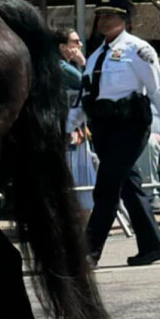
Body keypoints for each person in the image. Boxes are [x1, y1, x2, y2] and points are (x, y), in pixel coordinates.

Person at [72, 0, 160, 266]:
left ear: (124, 19)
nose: (102, 20)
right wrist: (68, 126)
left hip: (131, 125)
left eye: (109, 15)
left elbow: (157, 91)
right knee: (129, 186)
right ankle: (152, 244)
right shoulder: (94, 57)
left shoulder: (138, 50)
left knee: (106, 187)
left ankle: (89, 252)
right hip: (105, 129)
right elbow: (86, 98)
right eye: (100, 15)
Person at [55, 27, 96, 213]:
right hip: (67, 130)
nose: (80, 45)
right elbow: (89, 84)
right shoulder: (61, 67)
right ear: (63, 47)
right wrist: (83, 62)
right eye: (75, 41)